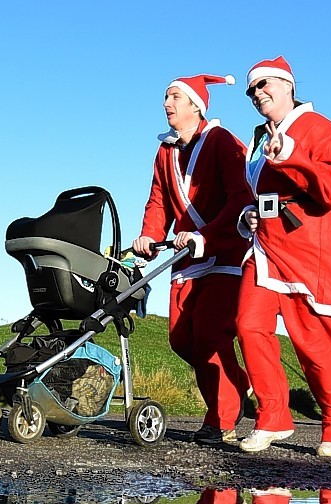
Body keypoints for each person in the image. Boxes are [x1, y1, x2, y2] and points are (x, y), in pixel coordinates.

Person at [233, 56, 331, 458]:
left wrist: (291, 154)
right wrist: (247, 214)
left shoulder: (323, 129)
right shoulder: (259, 138)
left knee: (316, 337)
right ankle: (273, 416)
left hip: (310, 242)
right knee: (249, 324)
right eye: (252, 89)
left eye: (265, 84)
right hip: (265, 243)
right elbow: (255, 191)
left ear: (289, 86)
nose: (257, 94)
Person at [132, 75, 253, 445]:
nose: (166, 103)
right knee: (181, 338)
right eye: (165, 97)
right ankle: (238, 383)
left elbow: (241, 198)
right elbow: (158, 202)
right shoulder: (165, 151)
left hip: (226, 252)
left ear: (196, 106)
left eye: (174, 97)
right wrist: (150, 235)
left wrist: (208, 235)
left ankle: (222, 419)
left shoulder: (222, 141)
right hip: (186, 257)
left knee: (210, 336)